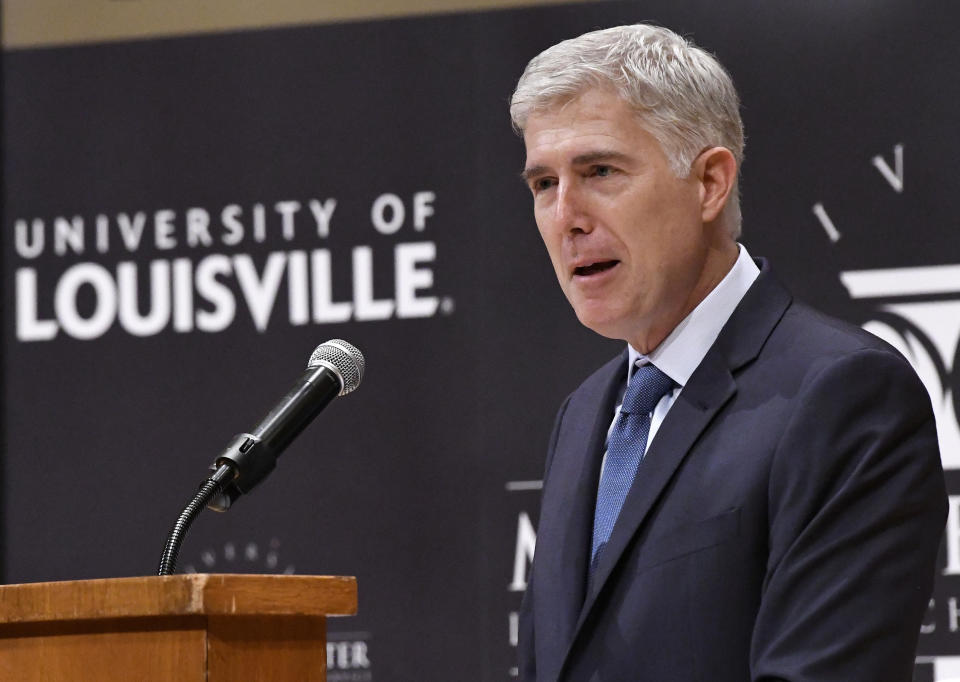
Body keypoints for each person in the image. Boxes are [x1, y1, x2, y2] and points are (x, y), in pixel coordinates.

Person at [510, 24, 946, 681]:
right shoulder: (584, 415)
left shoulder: (844, 395)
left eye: (599, 171)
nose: (565, 215)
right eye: (544, 183)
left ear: (710, 182)